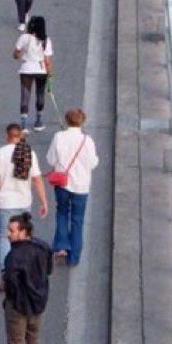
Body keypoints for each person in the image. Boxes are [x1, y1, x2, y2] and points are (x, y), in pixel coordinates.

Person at [0, 124, 48, 271]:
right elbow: (37, 179)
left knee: (5, 237)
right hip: (24, 201)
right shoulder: (29, 153)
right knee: (24, 237)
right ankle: (23, 268)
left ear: (7, 136)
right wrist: (44, 201)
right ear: (20, 136)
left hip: (5, 203)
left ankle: (6, 272)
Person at [46, 108, 99, 267]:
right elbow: (93, 163)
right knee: (77, 220)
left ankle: (61, 244)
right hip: (81, 186)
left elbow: (50, 159)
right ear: (83, 121)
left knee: (62, 212)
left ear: (66, 120)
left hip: (63, 183)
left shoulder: (58, 137)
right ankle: (74, 256)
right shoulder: (87, 140)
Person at [2, 212, 53, 344]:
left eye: (12, 231)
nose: (8, 234)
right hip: (37, 303)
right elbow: (48, 270)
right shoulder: (43, 247)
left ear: (23, 232)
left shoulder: (13, 256)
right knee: (34, 338)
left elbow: (10, 282)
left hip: (18, 307)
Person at [14, 16, 54, 133]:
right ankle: (38, 121)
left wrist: (21, 56)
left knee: (25, 96)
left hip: (26, 69)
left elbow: (16, 55)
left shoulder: (24, 37)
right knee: (40, 94)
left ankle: (23, 124)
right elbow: (47, 60)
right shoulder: (46, 40)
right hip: (41, 70)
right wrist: (50, 73)